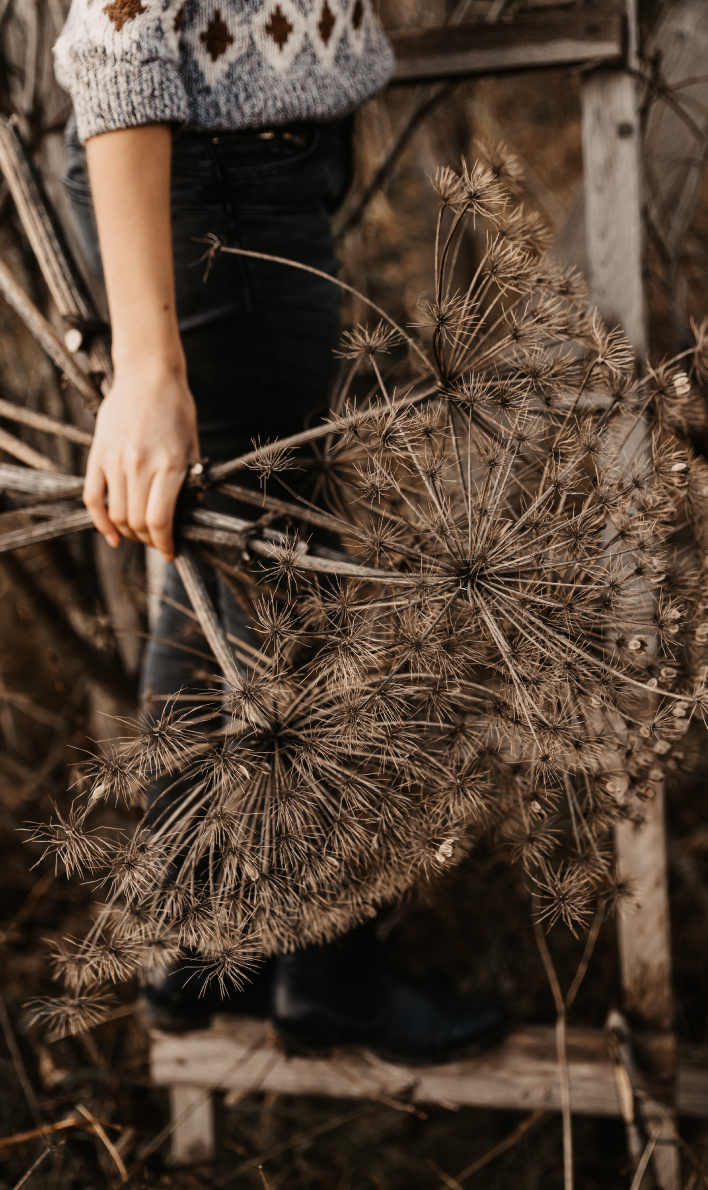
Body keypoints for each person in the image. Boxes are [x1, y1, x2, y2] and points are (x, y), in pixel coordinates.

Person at [52, 0, 509, 1062]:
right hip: (212, 185)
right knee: (297, 577)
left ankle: (209, 933)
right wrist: (151, 375)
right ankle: (328, 973)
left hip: (236, 173)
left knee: (229, 561)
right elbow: (120, 33)